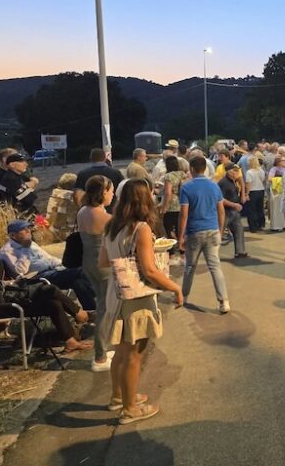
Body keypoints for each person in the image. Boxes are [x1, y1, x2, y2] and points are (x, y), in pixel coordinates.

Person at [98, 179, 183, 425]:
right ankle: (130, 408)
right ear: (144, 199)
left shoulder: (111, 226)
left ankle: (118, 397)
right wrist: (175, 288)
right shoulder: (141, 229)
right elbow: (149, 270)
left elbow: (103, 262)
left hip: (116, 293)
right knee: (134, 355)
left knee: (120, 353)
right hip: (136, 299)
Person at [0, 239, 93, 353]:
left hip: (6, 302)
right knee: (50, 290)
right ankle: (82, 315)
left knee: (53, 303)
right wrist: (14, 290)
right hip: (4, 308)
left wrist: (9, 283)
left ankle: (71, 341)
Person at [0, 220, 97, 310]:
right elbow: (19, 272)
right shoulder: (7, 251)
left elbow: (48, 258)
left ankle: (91, 311)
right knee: (80, 270)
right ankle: (100, 295)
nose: (28, 231)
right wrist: (25, 250)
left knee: (78, 282)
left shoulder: (30, 243)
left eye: (28, 228)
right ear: (13, 235)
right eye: (23, 230)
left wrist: (63, 265)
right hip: (34, 279)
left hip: (51, 272)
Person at [179, 156, 230, 313]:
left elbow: (184, 214)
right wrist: (220, 231)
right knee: (215, 267)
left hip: (195, 231)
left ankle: (183, 296)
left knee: (190, 266)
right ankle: (224, 301)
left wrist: (181, 236)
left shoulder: (186, 188)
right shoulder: (214, 186)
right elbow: (221, 211)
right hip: (213, 230)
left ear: (192, 169)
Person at [76, 175, 115, 371]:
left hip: (89, 262)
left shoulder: (83, 210)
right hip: (103, 265)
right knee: (105, 310)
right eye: (110, 190)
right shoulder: (103, 216)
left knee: (103, 306)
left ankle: (104, 349)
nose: (113, 193)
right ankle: (100, 357)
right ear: (102, 193)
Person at [158, 156, 187, 262]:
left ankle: (171, 253)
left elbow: (168, 193)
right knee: (181, 229)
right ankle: (182, 250)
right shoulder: (183, 174)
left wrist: (164, 207)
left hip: (172, 206)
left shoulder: (168, 176)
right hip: (183, 203)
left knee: (169, 228)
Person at [219, 163, 247, 259]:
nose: (237, 172)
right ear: (228, 171)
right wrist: (234, 204)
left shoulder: (233, 181)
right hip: (225, 212)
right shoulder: (223, 183)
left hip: (234, 211)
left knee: (239, 229)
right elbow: (220, 199)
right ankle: (212, 253)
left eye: (237, 170)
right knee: (219, 233)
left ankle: (240, 252)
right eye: (234, 170)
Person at [245, 155, 266, 233]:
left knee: (251, 210)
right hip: (261, 190)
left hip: (253, 191)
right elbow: (263, 179)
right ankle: (260, 224)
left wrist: (247, 193)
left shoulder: (249, 172)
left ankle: (253, 226)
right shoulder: (261, 171)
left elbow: (249, 183)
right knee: (260, 208)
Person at [267, 155, 285, 232]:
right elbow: (270, 178)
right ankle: (276, 226)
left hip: (283, 191)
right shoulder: (274, 169)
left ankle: (284, 224)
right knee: (276, 208)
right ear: (278, 162)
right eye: (283, 160)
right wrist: (279, 180)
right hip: (276, 191)